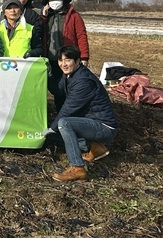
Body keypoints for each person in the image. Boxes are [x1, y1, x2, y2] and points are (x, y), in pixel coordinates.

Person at [44, 45, 118, 182]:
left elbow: (68, 110)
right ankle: (94, 147)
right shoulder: (69, 75)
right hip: (91, 122)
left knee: (63, 124)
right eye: (60, 60)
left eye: (67, 60)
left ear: (78, 61)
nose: (63, 64)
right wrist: (49, 74)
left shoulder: (83, 81)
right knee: (55, 137)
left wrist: (51, 128)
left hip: (103, 126)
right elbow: (58, 90)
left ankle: (77, 168)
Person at [41, 0, 90, 111]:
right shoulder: (45, 16)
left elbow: (81, 35)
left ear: (63, 1)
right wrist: (43, 17)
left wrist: (84, 57)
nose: (55, 2)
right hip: (51, 57)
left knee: (70, 86)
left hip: (68, 58)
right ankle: (60, 112)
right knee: (56, 87)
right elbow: (38, 32)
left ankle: (72, 112)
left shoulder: (73, 16)